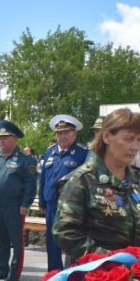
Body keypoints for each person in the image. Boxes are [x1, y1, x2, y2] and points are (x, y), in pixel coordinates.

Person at [53, 109, 140, 260]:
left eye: (139, 140)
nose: (135, 146)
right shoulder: (82, 180)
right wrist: (109, 259)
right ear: (106, 137)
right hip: (95, 276)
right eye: (128, 138)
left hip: (137, 276)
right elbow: (65, 232)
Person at [0, 120, 36, 281]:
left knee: (16, 241)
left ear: (15, 139)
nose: (2, 141)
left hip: (15, 207)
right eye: (0, 138)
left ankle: (14, 272)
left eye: (6, 137)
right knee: (1, 240)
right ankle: (2, 269)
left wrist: (25, 205)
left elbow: (30, 185)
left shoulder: (25, 160)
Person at [38, 114, 89, 270]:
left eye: (66, 132)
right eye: (59, 133)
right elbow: (43, 179)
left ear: (74, 134)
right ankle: (53, 275)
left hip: (71, 208)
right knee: (52, 243)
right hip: (52, 207)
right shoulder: (49, 153)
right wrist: (42, 201)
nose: (63, 136)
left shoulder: (83, 154)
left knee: (71, 243)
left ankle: (72, 278)